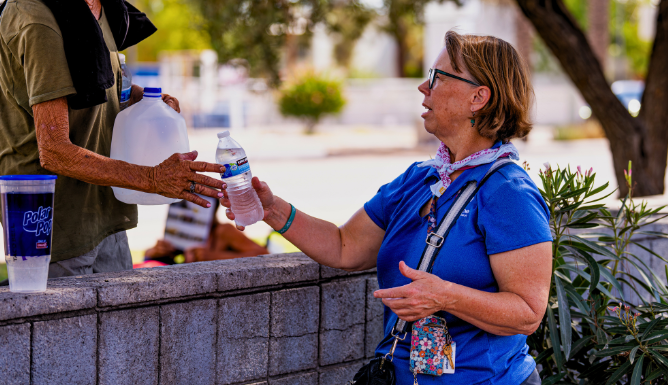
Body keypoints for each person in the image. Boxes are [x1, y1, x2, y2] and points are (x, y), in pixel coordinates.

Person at [223, 31, 552, 385]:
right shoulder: (420, 177)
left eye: (438, 78)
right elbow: (343, 245)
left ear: (479, 97)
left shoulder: (509, 192)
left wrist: (446, 297)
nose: (423, 88)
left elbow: (527, 314)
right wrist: (273, 210)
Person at [0, 0, 225, 278]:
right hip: (50, 223)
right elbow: (55, 150)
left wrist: (142, 100)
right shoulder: (38, 18)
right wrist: (152, 178)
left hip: (102, 209)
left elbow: (98, 86)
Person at [142, 199, 268, 266]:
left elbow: (264, 255)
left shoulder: (223, 231)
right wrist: (155, 251)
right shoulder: (181, 231)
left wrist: (213, 256)